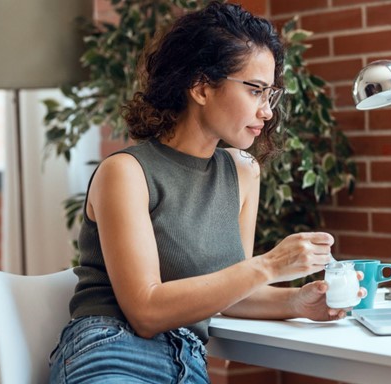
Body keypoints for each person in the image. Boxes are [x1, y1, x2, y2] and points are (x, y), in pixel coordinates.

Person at [49, 2, 364, 383]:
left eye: (270, 95)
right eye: (254, 91)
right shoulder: (126, 173)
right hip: (113, 352)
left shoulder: (243, 172)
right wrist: (270, 265)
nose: (266, 111)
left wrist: (297, 301)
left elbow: (233, 291)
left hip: (189, 362)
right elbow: (145, 312)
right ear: (200, 87)